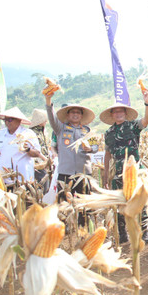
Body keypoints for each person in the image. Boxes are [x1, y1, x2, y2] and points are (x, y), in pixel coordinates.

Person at [100, 88, 148, 244]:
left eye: (121, 111)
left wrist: (147, 102)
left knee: (140, 199)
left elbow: (147, 120)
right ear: (112, 115)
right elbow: (108, 154)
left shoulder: (133, 126)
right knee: (120, 202)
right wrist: (105, 175)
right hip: (118, 172)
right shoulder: (108, 133)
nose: (118, 114)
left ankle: (144, 231)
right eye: (115, 112)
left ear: (125, 112)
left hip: (134, 169)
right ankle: (122, 232)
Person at [45, 93, 98, 223]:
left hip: (83, 173)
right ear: (67, 115)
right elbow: (51, 117)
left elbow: (95, 146)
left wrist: (89, 149)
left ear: (81, 116)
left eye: (78, 113)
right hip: (66, 173)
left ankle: (83, 226)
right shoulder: (60, 128)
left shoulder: (87, 130)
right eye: (72, 112)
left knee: (84, 202)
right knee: (64, 203)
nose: (75, 114)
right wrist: (48, 101)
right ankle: (65, 228)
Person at [0, 107, 42, 186]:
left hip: (24, 180)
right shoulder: (0, 134)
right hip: (4, 180)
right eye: (5, 120)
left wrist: (27, 149)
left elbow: (37, 153)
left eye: (10, 120)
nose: (7, 122)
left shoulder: (28, 133)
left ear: (19, 120)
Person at [29, 108, 50, 182]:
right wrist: (45, 159)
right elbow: (36, 150)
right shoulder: (33, 133)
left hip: (44, 162)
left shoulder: (42, 132)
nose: (46, 121)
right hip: (38, 163)